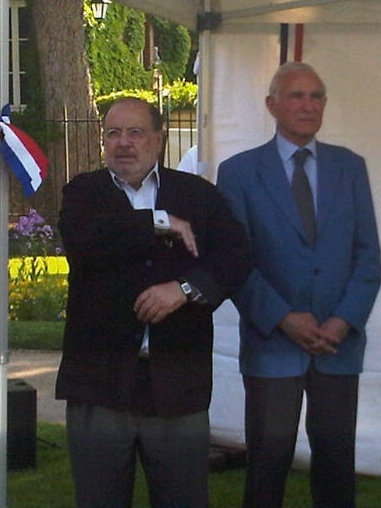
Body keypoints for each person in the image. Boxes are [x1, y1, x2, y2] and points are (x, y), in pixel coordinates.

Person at [56, 97, 253, 508]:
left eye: (135, 132)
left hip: (177, 382)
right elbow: (87, 242)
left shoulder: (197, 195)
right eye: (113, 133)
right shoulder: (83, 194)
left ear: (159, 140)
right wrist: (159, 222)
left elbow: (236, 256)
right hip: (100, 384)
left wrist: (183, 290)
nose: (123, 143)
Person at [216, 62, 381, 508]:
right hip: (273, 344)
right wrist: (284, 318)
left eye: (316, 96)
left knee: (335, 464)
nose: (308, 105)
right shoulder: (238, 173)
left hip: (336, 346)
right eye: (296, 95)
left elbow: (368, 256)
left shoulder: (350, 168)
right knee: (268, 465)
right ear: (272, 105)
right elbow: (234, 262)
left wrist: (344, 320)